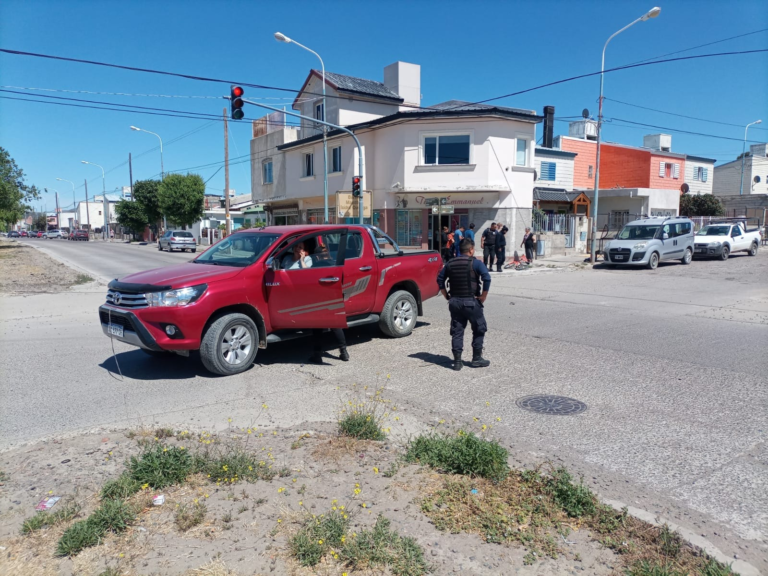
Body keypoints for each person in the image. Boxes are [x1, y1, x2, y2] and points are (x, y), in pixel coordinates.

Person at [436, 239, 492, 371]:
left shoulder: (450, 263)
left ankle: (457, 362)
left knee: (457, 331)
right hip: (471, 302)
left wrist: (446, 295)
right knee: (479, 328)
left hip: (454, 302)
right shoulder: (476, 263)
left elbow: (440, 279)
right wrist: (483, 296)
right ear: (471, 250)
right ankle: (476, 358)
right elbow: (487, 278)